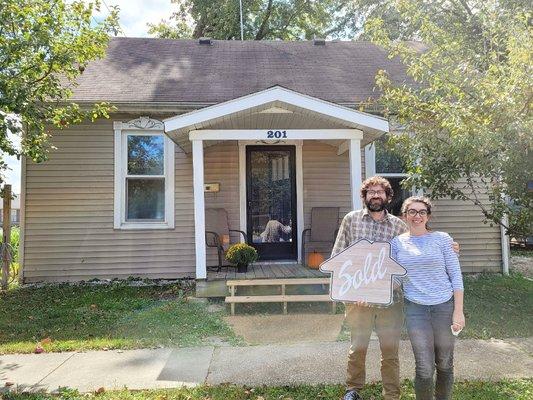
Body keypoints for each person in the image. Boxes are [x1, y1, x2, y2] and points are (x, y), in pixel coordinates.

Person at [332, 176, 408, 400]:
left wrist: (390, 288)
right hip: (358, 301)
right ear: (364, 196)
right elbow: (339, 256)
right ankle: (353, 390)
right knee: (358, 348)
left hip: (390, 301)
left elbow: (405, 264)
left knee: (390, 351)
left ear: (388, 196)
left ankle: (392, 395)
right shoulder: (351, 220)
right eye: (371, 192)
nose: (376, 195)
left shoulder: (399, 226)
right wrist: (351, 292)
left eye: (380, 192)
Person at [391, 196, 465, 400]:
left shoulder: (442, 239)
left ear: (428, 216)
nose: (417, 216)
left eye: (422, 212)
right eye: (412, 212)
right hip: (416, 310)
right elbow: (396, 280)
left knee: (444, 363)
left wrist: (458, 312)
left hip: (444, 307)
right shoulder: (397, 243)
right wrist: (371, 287)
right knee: (424, 367)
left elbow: (456, 276)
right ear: (404, 216)